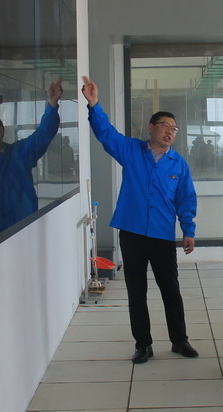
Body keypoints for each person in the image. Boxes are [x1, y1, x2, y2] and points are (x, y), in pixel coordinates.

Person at [81, 75, 198, 364]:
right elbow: (106, 134)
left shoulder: (178, 164)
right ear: (151, 127)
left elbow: (186, 199)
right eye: (165, 126)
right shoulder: (132, 151)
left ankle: (179, 340)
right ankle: (143, 344)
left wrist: (188, 229)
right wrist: (94, 104)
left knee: (170, 290)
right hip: (132, 233)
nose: (170, 132)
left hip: (161, 235)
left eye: (174, 128)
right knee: (137, 292)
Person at [0, 79, 62, 232]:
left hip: (23, 230)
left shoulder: (19, 153)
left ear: (0, 131)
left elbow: (43, 134)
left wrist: (52, 105)